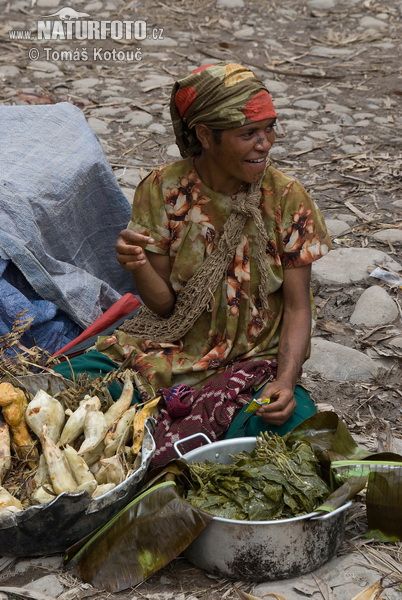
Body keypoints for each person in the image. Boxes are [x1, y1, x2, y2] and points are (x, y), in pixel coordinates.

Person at [56, 62, 331, 464]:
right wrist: (138, 265)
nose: (265, 143)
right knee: (62, 386)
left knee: (296, 434)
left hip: (250, 365)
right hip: (170, 350)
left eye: (269, 128)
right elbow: (165, 307)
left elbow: (297, 306)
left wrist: (285, 382)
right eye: (248, 133)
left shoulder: (287, 198)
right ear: (205, 135)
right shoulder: (164, 189)